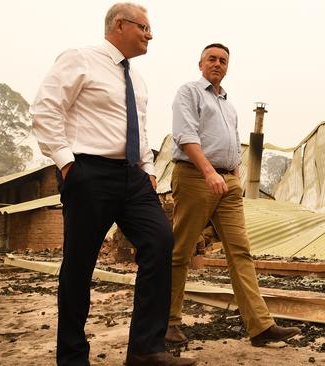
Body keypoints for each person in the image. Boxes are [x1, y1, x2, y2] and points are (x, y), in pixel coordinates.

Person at [30, 3, 195, 365]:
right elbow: (45, 107)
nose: (150, 35)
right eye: (145, 27)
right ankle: (72, 357)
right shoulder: (80, 59)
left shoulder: (137, 78)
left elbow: (140, 127)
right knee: (79, 265)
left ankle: (145, 349)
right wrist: (66, 162)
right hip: (88, 172)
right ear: (120, 24)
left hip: (132, 177)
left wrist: (148, 168)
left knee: (160, 241)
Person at [168, 43, 300, 347]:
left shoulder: (228, 105)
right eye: (212, 59)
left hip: (227, 183)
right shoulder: (189, 92)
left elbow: (233, 146)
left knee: (241, 253)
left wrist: (235, 179)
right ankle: (168, 322)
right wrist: (209, 172)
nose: (217, 64)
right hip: (195, 176)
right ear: (200, 64)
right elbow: (185, 135)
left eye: (223, 61)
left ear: (228, 67)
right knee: (180, 252)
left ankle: (260, 326)